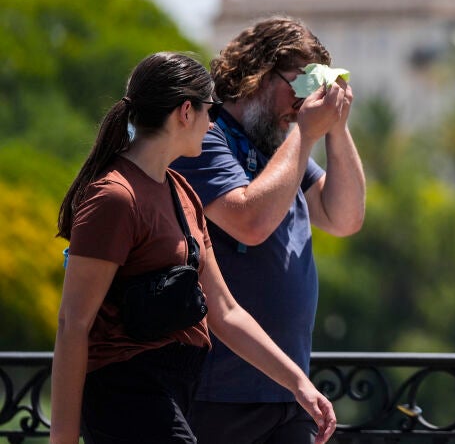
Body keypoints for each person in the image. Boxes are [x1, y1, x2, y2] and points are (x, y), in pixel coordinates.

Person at [50, 52, 336, 444]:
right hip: (126, 392)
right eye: (210, 110)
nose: (213, 123)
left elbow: (226, 311)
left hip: (176, 391)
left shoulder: (182, 191)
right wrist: (62, 437)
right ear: (186, 112)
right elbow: (73, 323)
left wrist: (299, 383)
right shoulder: (114, 196)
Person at [171, 15, 365, 443]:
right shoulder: (204, 137)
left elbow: (344, 217)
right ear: (257, 72)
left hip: (289, 390)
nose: (301, 103)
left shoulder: (280, 149)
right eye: (298, 84)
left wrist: (337, 127)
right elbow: (249, 223)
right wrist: (306, 133)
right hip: (218, 392)